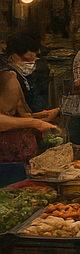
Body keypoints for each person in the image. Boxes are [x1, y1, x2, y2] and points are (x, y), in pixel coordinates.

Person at [0, 34, 59, 187]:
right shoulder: (10, 78)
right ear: (12, 58)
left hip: (20, 159)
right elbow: (3, 120)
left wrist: (44, 116)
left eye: (35, 59)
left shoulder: (20, 77)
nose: (32, 64)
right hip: (9, 160)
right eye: (27, 60)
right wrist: (34, 122)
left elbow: (20, 113)